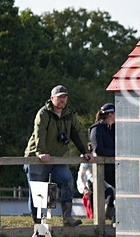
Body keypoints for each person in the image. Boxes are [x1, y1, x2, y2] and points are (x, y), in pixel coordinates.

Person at [24, 84, 92, 226]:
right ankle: (37, 224)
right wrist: (41, 152)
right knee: (37, 190)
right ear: (52, 98)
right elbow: (39, 133)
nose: (63, 100)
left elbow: (76, 133)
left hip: (56, 158)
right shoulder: (43, 113)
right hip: (36, 157)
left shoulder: (69, 115)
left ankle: (67, 218)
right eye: (60, 97)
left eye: (65, 97)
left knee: (67, 180)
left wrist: (85, 151)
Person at [89, 103, 117, 220]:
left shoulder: (114, 128)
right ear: (110, 114)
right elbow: (98, 149)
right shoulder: (96, 128)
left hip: (115, 167)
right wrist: (117, 153)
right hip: (105, 169)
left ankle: (113, 216)